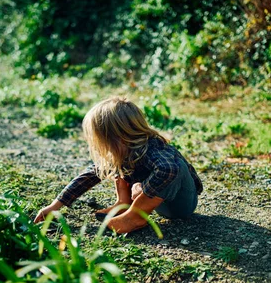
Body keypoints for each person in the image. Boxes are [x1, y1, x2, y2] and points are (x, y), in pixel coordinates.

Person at [33, 96, 203, 234]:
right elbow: (88, 176)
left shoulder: (152, 148)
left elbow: (169, 169)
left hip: (180, 205)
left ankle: (134, 217)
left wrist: (143, 188)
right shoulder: (123, 149)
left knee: (175, 166)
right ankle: (124, 205)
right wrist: (55, 205)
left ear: (117, 136)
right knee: (115, 162)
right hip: (154, 201)